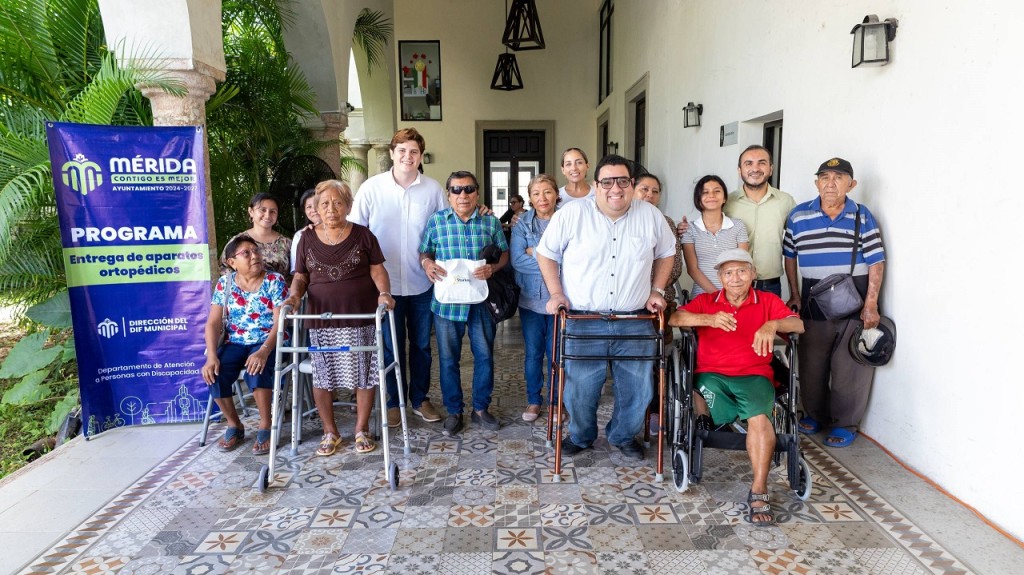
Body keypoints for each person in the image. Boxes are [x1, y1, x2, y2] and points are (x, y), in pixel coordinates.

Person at [536, 154, 676, 460]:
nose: (616, 188)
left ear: (632, 184)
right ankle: (582, 435)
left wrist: (657, 289)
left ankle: (623, 434)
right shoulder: (572, 214)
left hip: (634, 319)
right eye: (608, 182)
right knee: (580, 389)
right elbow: (545, 253)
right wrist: (556, 292)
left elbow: (667, 252)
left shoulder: (650, 215)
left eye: (623, 181)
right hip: (584, 319)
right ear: (596, 185)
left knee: (639, 389)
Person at [669, 248, 804, 526]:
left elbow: (798, 325)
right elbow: (674, 319)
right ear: (720, 277)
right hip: (711, 377)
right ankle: (726, 421)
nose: (735, 278)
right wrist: (709, 319)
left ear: (753, 274)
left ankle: (758, 489)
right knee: (700, 388)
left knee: (758, 417)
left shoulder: (767, 300)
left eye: (742, 271)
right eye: (728, 272)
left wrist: (772, 324)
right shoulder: (707, 301)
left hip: (754, 376)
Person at [284, 180, 396, 456]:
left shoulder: (363, 235)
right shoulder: (306, 238)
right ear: (316, 209)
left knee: (364, 374)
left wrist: (384, 293)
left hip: (360, 314)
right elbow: (300, 276)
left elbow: (377, 269)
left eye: (337, 202)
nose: (331, 208)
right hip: (323, 317)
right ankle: (330, 431)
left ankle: (361, 429)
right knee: (324, 375)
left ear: (348, 206)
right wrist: (294, 297)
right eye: (324, 203)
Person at [783, 157, 886, 448]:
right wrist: (794, 293)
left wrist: (872, 303)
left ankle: (844, 423)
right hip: (814, 295)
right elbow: (790, 256)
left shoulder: (862, 216)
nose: (830, 183)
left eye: (838, 178)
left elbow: (876, 260)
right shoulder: (798, 216)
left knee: (850, 366)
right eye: (824, 177)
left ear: (851, 185)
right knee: (812, 362)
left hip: (854, 295)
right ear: (816, 183)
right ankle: (815, 414)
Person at [350, 128, 446, 429]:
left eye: (414, 152)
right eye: (402, 151)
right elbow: (356, 233)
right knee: (390, 346)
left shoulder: (433, 190)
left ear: (421, 156)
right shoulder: (371, 188)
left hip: (422, 282)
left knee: (421, 345)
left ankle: (420, 398)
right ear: (392, 153)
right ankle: (393, 402)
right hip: (383, 286)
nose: (408, 157)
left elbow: (445, 228)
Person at [419, 171, 509, 436]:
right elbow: (425, 250)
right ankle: (454, 411)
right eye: (456, 190)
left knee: (484, 356)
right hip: (447, 304)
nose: (463, 195)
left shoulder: (489, 222)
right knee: (448, 359)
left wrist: (493, 268)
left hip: (480, 302)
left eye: (469, 189)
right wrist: (427, 263)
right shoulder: (436, 222)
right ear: (448, 194)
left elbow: (504, 253)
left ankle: (480, 408)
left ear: (477, 193)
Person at [202, 234, 288, 455]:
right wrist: (211, 355)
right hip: (236, 342)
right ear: (232, 262)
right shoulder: (226, 283)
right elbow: (213, 323)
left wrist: (263, 350)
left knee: (256, 370)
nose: (254, 256)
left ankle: (265, 425)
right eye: (246, 253)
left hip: (269, 340)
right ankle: (234, 424)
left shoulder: (274, 280)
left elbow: (281, 322)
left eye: (256, 251)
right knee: (215, 372)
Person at [511, 175, 560, 422]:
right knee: (533, 353)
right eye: (536, 193)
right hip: (530, 300)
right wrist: (551, 258)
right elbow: (517, 260)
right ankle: (534, 401)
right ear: (529, 198)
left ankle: (555, 403)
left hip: (561, 299)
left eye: (548, 192)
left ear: (556, 195)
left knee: (557, 353)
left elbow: (574, 260)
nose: (542, 198)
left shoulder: (567, 219)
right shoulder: (522, 224)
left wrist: (535, 250)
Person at [681, 175, 749, 297]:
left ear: (724, 198)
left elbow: (742, 265)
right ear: (698, 199)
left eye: (717, 191)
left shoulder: (738, 226)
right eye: (705, 192)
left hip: (735, 296)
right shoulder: (689, 229)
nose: (711, 195)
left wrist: (728, 296)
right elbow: (693, 269)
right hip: (702, 296)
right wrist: (717, 295)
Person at [634, 173, 684, 311]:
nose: (650, 194)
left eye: (655, 191)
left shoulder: (666, 222)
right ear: (631, 191)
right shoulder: (622, 220)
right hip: (628, 299)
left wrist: (655, 290)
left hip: (659, 298)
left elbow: (675, 266)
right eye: (644, 189)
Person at [221, 193, 292, 280]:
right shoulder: (238, 241)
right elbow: (223, 268)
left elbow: (298, 274)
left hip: (281, 291)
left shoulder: (287, 243)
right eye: (263, 210)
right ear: (251, 211)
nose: (268, 215)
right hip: (246, 292)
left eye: (272, 211)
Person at [290, 188, 321, 274]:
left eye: (317, 205)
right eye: (309, 207)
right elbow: (296, 272)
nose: (314, 210)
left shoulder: (341, 230)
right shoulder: (300, 235)